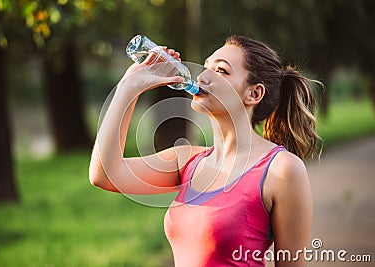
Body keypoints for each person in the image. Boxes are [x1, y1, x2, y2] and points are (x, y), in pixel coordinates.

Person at [89, 35, 320, 266]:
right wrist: (129, 85)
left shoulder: (281, 170)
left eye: (221, 71)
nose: (203, 76)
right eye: (206, 65)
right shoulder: (187, 161)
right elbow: (104, 174)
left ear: (254, 94)